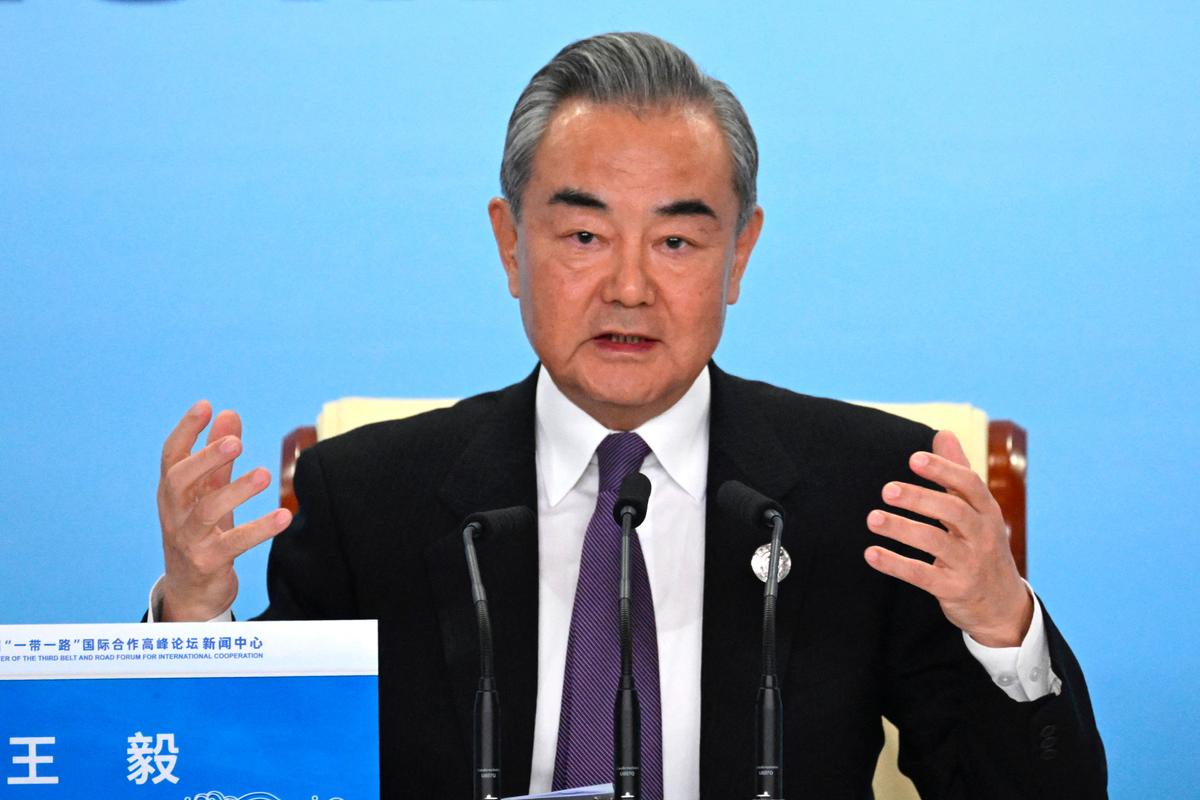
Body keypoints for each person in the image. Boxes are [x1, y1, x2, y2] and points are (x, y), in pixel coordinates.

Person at [151, 33, 1106, 798]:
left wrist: (1001, 625)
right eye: (584, 235)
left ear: (740, 255)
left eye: (678, 241)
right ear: (509, 246)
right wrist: (195, 614)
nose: (630, 287)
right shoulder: (368, 499)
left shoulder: (870, 492)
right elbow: (252, 773)